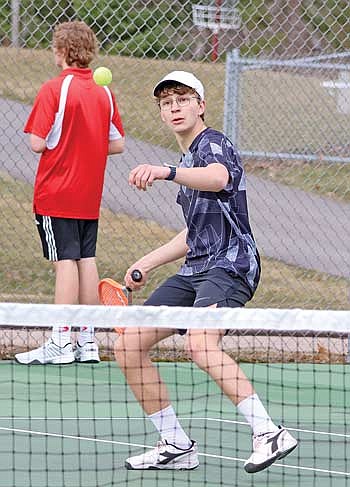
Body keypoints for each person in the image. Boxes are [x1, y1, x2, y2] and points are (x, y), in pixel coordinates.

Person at [114, 71, 298, 472]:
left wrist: (165, 171)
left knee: (199, 343)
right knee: (128, 345)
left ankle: (269, 433)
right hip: (196, 268)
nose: (175, 107)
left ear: (201, 104)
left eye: (182, 99)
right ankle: (175, 444)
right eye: (166, 103)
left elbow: (219, 179)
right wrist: (147, 261)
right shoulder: (187, 160)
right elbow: (193, 232)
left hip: (231, 264)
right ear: (161, 114)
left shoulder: (213, 144)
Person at [15, 21, 125, 365]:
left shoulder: (54, 88)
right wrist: (85, 144)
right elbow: (117, 144)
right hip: (88, 195)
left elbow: (36, 142)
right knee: (85, 259)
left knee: (65, 260)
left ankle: (61, 341)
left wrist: (67, 144)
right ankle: (87, 340)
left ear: (61, 51)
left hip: (56, 191)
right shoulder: (104, 91)